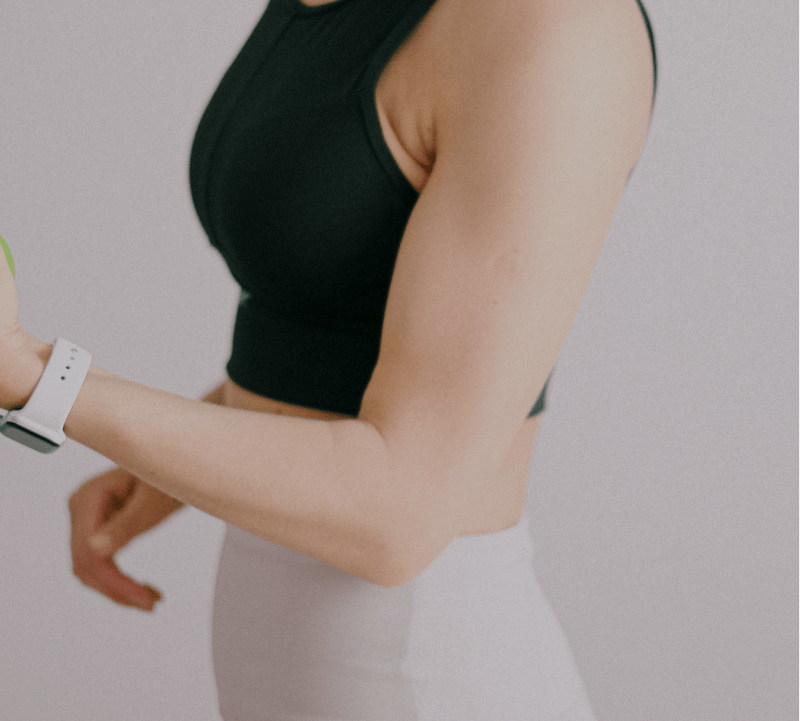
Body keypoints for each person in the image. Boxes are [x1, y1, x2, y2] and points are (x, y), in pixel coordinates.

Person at [0, 0, 656, 717]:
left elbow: (401, 515)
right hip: (285, 664)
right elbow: (341, 327)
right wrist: (172, 460)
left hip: (417, 673)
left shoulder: (557, 27)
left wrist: (42, 382)